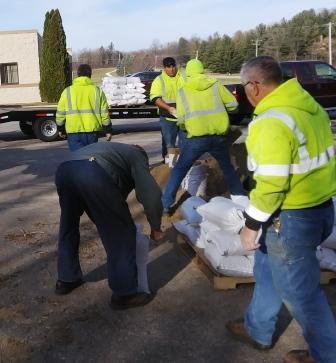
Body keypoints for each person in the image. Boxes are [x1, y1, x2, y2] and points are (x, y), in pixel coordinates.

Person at [225, 56, 336, 363]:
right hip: (320, 208)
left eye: (244, 86)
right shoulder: (307, 107)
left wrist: (251, 223)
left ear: (254, 86)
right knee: (266, 268)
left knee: (302, 293)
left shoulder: (271, 121)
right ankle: (258, 329)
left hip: (291, 218)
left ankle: (328, 355)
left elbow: (272, 184)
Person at [54, 142, 163, 309]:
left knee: (68, 225)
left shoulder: (113, 151)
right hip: (91, 172)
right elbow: (151, 195)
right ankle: (125, 294)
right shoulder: (137, 156)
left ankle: (66, 280)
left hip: (64, 171)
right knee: (122, 234)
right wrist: (156, 226)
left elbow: (106, 198)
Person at [161, 59, 246, 212]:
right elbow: (233, 105)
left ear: (188, 72)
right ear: (202, 70)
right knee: (228, 169)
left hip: (196, 139)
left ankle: (166, 204)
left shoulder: (183, 89)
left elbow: (181, 119)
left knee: (180, 169)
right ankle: (241, 201)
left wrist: (185, 126)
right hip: (218, 137)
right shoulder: (215, 84)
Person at [56, 64, 112, 151]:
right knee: (90, 158)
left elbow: (60, 113)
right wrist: (108, 130)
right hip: (92, 133)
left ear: (78, 74)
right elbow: (104, 114)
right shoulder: (98, 91)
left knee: (78, 159)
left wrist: (60, 129)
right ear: (90, 75)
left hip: (73, 132)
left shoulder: (67, 91)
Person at [150, 57, 185, 160]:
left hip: (184, 117)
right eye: (168, 67)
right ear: (164, 68)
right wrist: (169, 108)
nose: (171, 69)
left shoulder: (183, 77)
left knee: (186, 144)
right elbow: (156, 98)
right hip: (167, 119)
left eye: (173, 66)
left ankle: (184, 167)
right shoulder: (159, 80)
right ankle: (169, 167)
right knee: (169, 145)